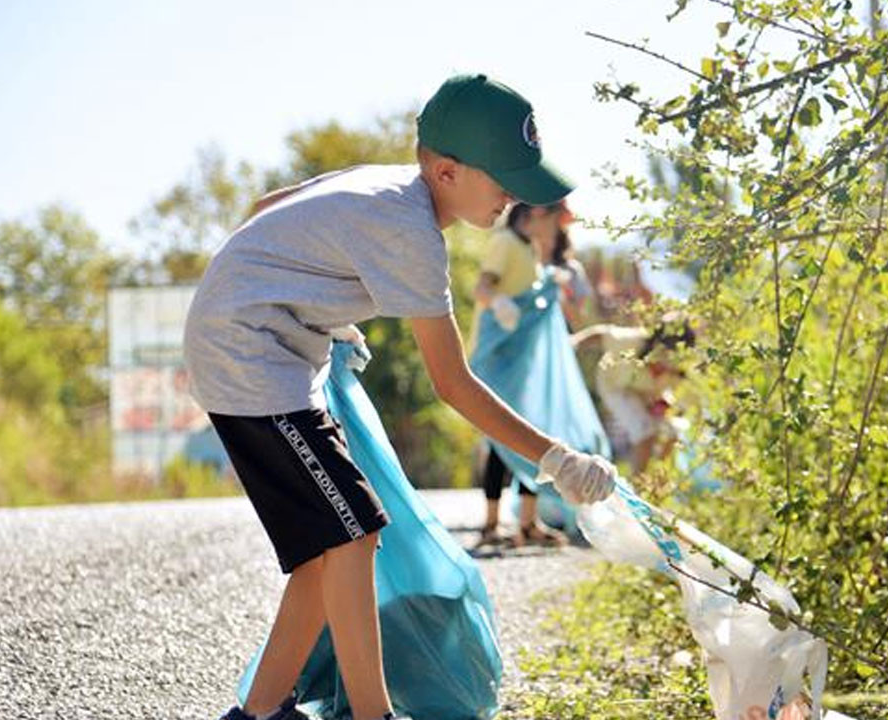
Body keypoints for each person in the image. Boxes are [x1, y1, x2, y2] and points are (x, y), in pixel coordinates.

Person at [184, 73, 616, 720]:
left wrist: (308, 299)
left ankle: (258, 714)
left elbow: (269, 208)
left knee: (325, 550)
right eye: (503, 179)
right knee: (355, 531)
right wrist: (556, 460)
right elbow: (453, 384)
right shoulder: (413, 233)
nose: (512, 197)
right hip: (250, 358)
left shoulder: (385, 184)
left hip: (259, 346)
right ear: (446, 171)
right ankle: (372, 714)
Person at [471, 201, 577, 548]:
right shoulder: (505, 243)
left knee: (530, 433)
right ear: (536, 215)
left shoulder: (528, 248)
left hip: (521, 359)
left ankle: (529, 523)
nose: (558, 231)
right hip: (500, 359)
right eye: (555, 221)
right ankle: (491, 525)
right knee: (503, 438)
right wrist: (500, 304)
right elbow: (483, 289)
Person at [571, 313, 695, 474]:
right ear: (656, 344)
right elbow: (602, 334)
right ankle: (638, 484)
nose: (667, 360)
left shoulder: (676, 369)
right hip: (615, 386)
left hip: (644, 393)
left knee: (673, 431)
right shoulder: (632, 342)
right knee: (645, 431)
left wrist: (662, 405)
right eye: (665, 353)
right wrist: (575, 341)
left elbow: (667, 395)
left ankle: (657, 483)